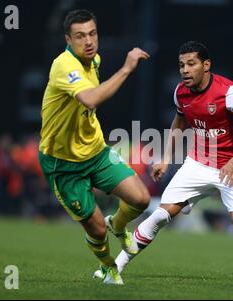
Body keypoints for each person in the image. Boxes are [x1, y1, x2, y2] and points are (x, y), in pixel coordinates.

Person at [97, 40, 233, 277]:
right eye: (181, 65)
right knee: (159, 216)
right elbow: (179, 122)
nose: (184, 70)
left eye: (191, 64)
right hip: (198, 164)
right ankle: (114, 268)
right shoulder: (180, 93)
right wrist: (165, 158)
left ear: (206, 65)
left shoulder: (231, 93)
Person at [38, 9, 151, 285]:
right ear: (68, 39)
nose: (88, 41)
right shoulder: (64, 65)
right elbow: (89, 99)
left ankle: (118, 224)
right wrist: (126, 69)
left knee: (141, 199)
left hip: (95, 151)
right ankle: (109, 268)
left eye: (92, 34)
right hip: (62, 164)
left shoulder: (94, 60)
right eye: (80, 36)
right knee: (96, 229)